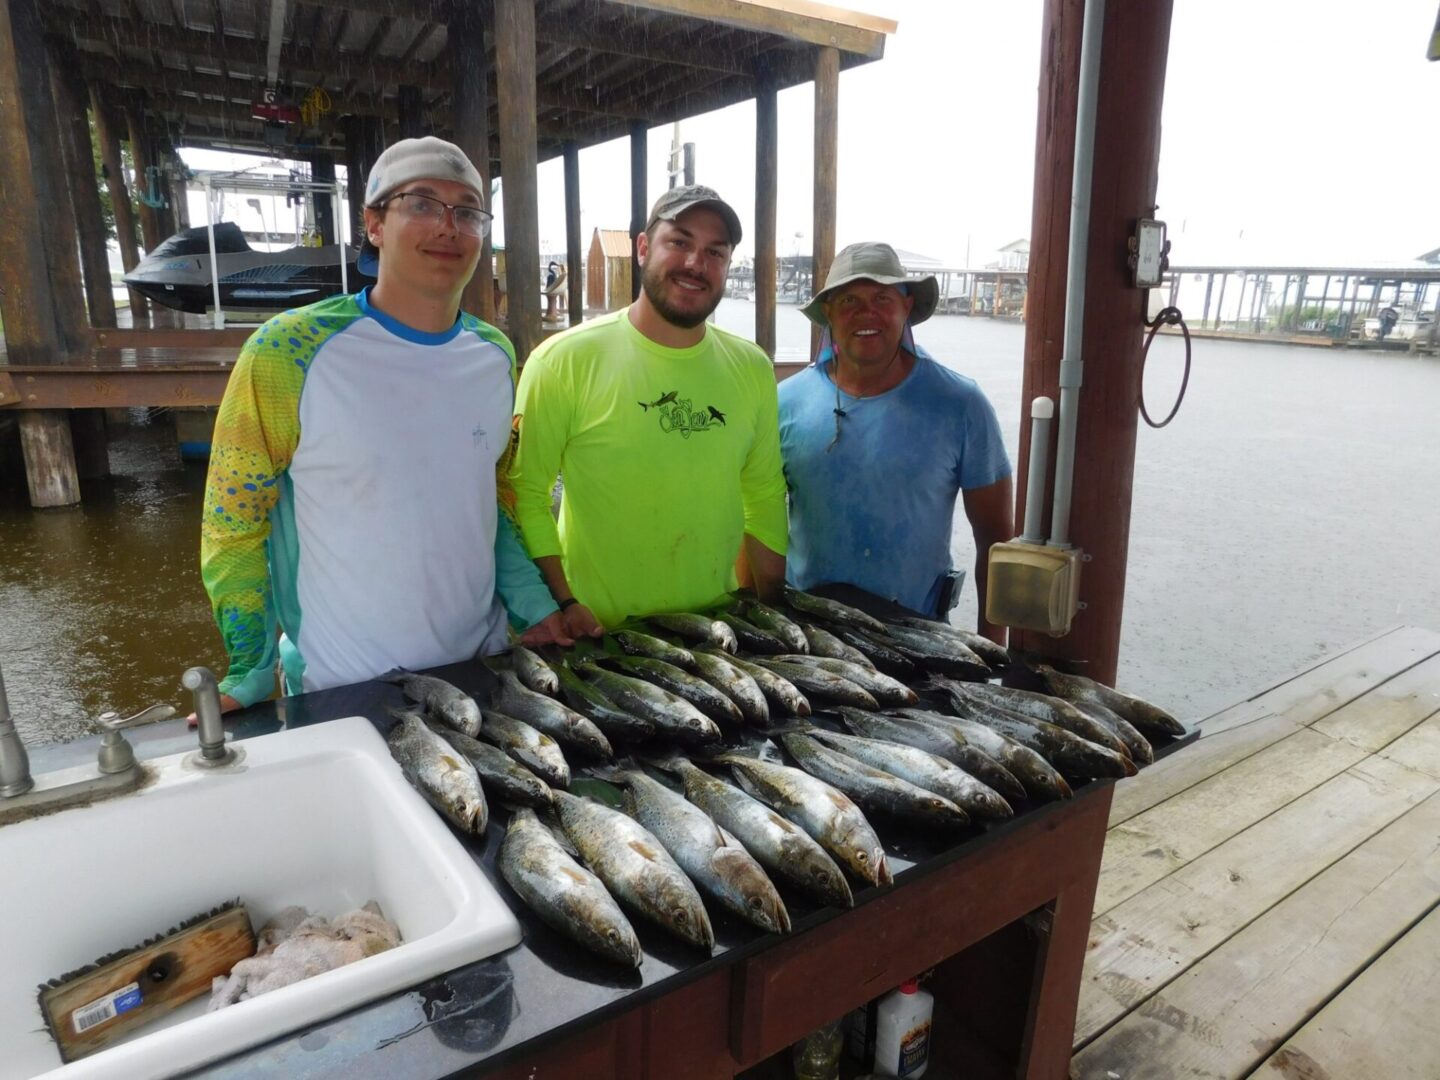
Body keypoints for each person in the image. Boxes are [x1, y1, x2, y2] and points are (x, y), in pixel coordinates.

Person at [200, 136, 568, 713]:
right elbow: (233, 523)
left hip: (481, 672)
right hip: (347, 686)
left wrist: (535, 606)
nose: (449, 227)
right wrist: (250, 666)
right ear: (373, 224)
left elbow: (488, 503)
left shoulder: (494, 353)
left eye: (468, 211)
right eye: (421, 204)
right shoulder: (286, 352)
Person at [508, 185, 788, 636]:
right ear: (643, 248)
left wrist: (773, 606)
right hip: (603, 635)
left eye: (714, 252)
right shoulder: (562, 361)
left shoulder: (753, 367)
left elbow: (765, 495)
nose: (696, 264)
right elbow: (526, 496)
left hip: (718, 632)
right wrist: (560, 602)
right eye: (679, 242)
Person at [778, 242, 1013, 639]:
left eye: (882, 298)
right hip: (812, 638)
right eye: (850, 299)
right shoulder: (785, 402)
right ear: (829, 313)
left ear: (906, 306)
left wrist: (992, 652)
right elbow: (753, 523)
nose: (866, 312)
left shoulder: (961, 404)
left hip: (921, 641)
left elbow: (995, 538)